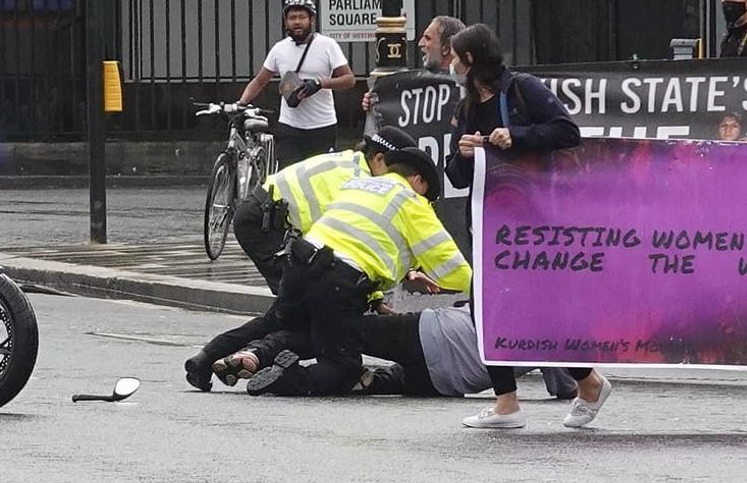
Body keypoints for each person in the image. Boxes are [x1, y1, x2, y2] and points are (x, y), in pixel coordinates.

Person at [443, 23, 606, 430]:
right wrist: (463, 155)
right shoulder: (465, 109)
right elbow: (458, 177)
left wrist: (515, 136)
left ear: (470, 60)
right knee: (488, 311)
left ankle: (589, 381)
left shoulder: (522, 89)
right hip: (487, 224)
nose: (449, 64)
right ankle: (506, 403)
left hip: (534, 220)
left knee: (541, 310)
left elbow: (567, 132)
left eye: (454, 57)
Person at [243, 146, 473, 397]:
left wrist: (409, 273)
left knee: (291, 326)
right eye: (427, 195)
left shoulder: (358, 185)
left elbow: (362, 237)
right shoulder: (411, 201)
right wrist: (487, 292)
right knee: (342, 367)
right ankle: (288, 379)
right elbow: (450, 263)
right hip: (339, 282)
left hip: (299, 265)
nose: (427, 202)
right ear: (418, 180)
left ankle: (228, 356)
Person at [217, 303, 599, 405]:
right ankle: (292, 381)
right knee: (374, 382)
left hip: (431, 332)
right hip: (450, 382)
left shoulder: (517, 292)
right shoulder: (558, 334)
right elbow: (564, 389)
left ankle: (256, 355)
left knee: (339, 333)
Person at [230, 125, 416, 295]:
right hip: (263, 223)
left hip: (266, 218)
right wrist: (374, 297)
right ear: (379, 159)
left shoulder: (352, 162)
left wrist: (375, 298)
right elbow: (349, 249)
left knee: (301, 299)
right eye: (398, 173)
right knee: (303, 299)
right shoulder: (357, 183)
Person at [238, 0, 355, 168]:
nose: (297, 22)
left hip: (322, 126)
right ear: (286, 22)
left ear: (312, 20)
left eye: (302, 17)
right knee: (288, 180)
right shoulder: (279, 49)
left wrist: (320, 84)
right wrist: (241, 103)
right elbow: (260, 81)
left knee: (319, 181)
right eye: (292, 18)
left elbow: (349, 79)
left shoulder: (327, 45)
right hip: (289, 126)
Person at [361, 15, 466, 131]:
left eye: (427, 38)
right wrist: (377, 102)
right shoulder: (418, 87)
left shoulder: (470, 86)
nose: (421, 43)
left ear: (446, 47)